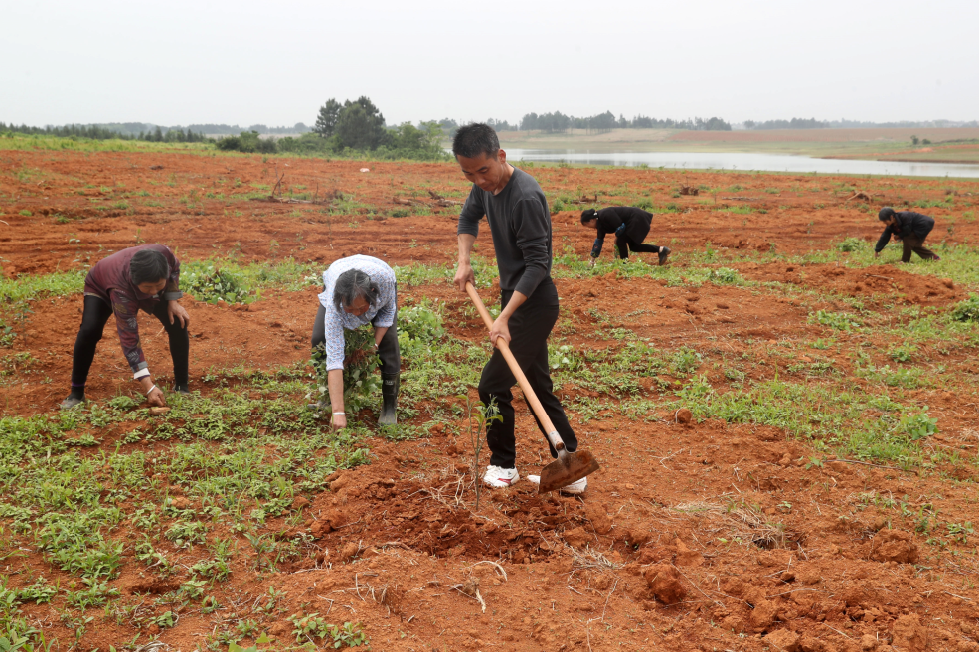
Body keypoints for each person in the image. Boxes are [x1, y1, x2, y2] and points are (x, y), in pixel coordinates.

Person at [452, 123, 586, 494]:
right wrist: (464, 260)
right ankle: (571, 466)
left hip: (534, 302)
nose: (478, 180)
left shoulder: (525, 197)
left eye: (484, 170)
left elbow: (538, 265)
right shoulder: (484, 188)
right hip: (514, 299)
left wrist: (505, 318)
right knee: (538, 385)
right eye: (468, 173)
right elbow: (467, 219)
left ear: (501, 156)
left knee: (492, 384)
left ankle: (503, 465)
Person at [61, 244, 190, 410]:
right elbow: (130, 339)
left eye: (158, 285)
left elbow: (174, 268)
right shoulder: (122, 292)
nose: (153, 292)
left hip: (133, 281)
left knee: (177, 321)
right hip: (100, 285)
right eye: (147, 288)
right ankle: (76, 393)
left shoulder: (164, 254)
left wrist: (173, 301)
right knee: (89, 331)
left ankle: (182, 386)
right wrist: (149, 387)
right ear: (136, 283)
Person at [310, 255, 400, 429]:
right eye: (349, 309)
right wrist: (338, 412)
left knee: (388, 342)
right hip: (340, 275)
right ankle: (328, 399)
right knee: (319, 339)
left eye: (361, 308)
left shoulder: (385, 284)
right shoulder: (334, 304)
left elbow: (387, 315)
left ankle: (389, 407)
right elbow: (335, 358)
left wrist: (374, 345)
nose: (357, 313)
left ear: (372, 297)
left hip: (378, 274)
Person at [580, 207, 670, 267]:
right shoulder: (600, 225)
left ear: (591, 221)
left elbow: (620, 227)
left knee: (620, 241)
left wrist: (617, 237)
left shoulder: (605, 214)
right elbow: (598, 243)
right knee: (634, 247)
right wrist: (592, 261)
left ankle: (624, 265)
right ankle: (661, 249)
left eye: (586, 225)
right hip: (632, 221)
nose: (589, 228)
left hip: (637, 218)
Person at [874, 207, 940, 263]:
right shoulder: (890, 226)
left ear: (891, 217)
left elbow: (907, 231)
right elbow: (884, 237)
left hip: (923, 225)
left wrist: (899, 235)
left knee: (908, 240)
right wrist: (877, 250)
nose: (884, 223)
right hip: (916, 227)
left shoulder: (904, 216)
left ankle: (905, 261)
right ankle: (934, 257)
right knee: (915, 245)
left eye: (885, 221)